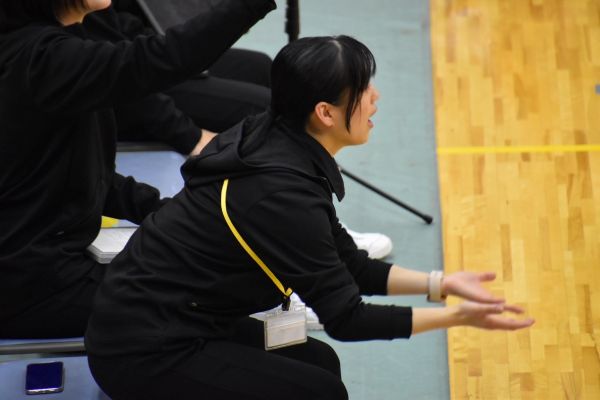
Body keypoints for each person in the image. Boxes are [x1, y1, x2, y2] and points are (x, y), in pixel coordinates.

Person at [85, 35, 535, 400]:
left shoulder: (275, 140)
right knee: (319, 392)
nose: (375, 97)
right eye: (364, 90)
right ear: (325, 113)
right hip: (144, 348)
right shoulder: (281, 194)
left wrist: (441, 284)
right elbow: (347, 319)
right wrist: (457, 318)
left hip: (174, 317)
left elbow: (351, 266)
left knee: (318, 362)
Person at [0, 0, 277, 339]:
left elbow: (80, 177)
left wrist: (171, 214)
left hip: (50, 269)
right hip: (33, 288)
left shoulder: (49, 49)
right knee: (233, 301)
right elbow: (161, 58)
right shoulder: (44, 59)